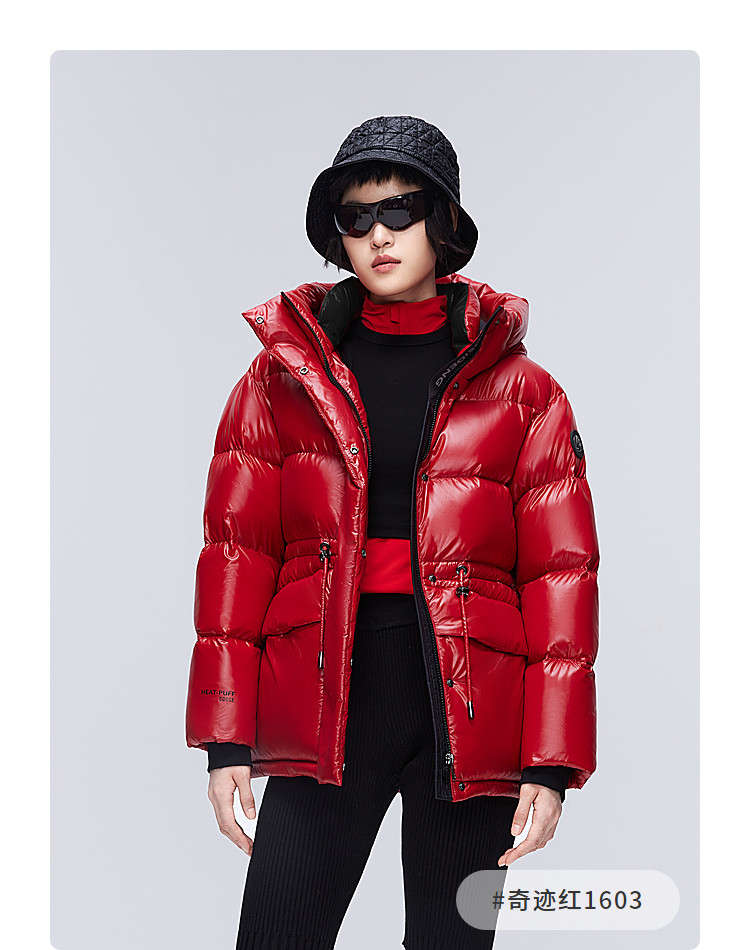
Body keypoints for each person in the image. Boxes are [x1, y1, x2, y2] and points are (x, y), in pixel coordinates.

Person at [185, 115, 600, 950]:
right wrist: (225, 734)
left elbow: (561, 574)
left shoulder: (527, 393)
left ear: (442, 222)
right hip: (326, 696)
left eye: (400, 210)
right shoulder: (277, 383)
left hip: (471, 706)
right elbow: (237, 556)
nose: (378, 234)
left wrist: (551, 760)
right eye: (356, 217)